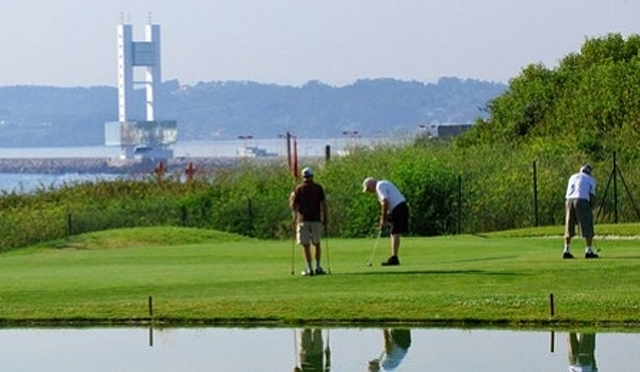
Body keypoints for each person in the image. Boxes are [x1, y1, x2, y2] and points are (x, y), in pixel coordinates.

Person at [290, 167, 328, 276]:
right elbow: (324, 205)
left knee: (305, 245)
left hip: (303, 220)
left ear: (303, 177)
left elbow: (293, 207)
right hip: (316, 219)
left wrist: (292, 198)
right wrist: (325, 218)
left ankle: (309, 268)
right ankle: (318, 267)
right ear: (312, 176)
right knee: (316, 243)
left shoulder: (298, 189)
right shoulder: (318, 188)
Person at [362, 177, 409, 266]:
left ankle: (394, 258)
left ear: (371, 184)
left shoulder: (379, 186)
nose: (369, 192)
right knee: (394, 232)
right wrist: (386, 217)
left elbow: (385, 202)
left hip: (398, 208)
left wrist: (383, 219)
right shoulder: (383, 184)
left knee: (395, 232)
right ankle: (394, 256)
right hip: (398, 208)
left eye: (368, 189)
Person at [563, 164, 598, 259]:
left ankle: (567, 249)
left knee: (569, 225)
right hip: (582, 200)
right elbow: (592, 196)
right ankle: (589, 250)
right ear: (589, 172)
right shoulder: (590, 179)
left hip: (569, 200)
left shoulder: (572, 177)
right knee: (587, 225)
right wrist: (591, 207)